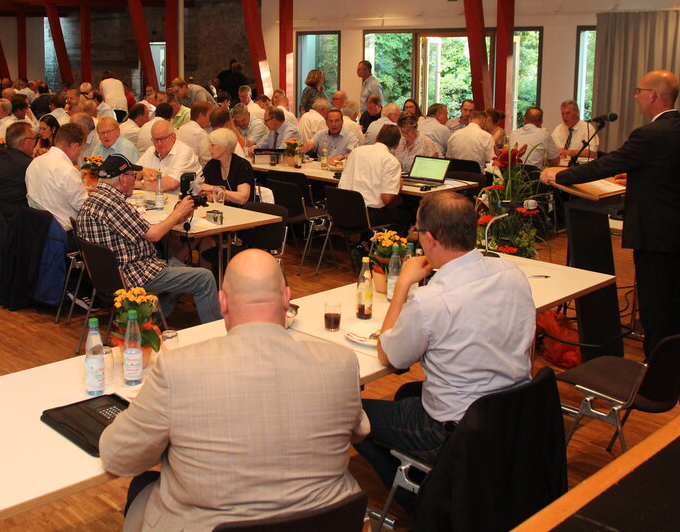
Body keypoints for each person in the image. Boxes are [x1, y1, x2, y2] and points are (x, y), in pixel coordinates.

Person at [101, 249, 367, 531]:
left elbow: (119, 457)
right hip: (326, 520)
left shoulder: (178, 369)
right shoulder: (341, 362)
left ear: (222, 302)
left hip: (209, 523)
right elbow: (360, 431)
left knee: (143, 488)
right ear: (287, 299)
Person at [354, 191, 535, 486]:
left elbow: (389, 355)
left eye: (418, 231)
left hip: (453, 428)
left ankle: (421, 500)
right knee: (408, 395)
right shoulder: (511, 272)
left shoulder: (432, 300)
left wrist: (401, 285)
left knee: (346, 413)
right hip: (511, 413)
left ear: (431, 238)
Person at [541, 70, 680, 355]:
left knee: (655, 303)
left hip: (654, 232)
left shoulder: (649, 134)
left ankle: (655, 369)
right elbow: (676, 172)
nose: (636, 96)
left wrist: (560, 177)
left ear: (653, 95)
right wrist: (641, 177)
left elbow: (605, 165)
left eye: (639, 90)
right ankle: (672, 358)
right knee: (674, 296)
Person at [76, 154, 221, 323]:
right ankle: (217, 334)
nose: (136, 180)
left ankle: (149, 322)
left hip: (108, 277)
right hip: (134, 275)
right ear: (123, 179)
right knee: (204, 278)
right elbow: (154, 235)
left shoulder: (94, 200)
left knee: (178, 265)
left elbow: (140, 229)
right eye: (133, 175)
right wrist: (177, 213)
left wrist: (176, 218)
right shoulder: (114, 204)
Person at [338, 125, 410, 231]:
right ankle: (381, 245)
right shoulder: (390, 161)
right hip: (367, 216)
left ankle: (365, 243)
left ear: (376, 138)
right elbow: (386, 199)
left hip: (343, 210)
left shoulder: (356, 152)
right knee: (405, 215)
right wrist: (398, 184)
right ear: (397, 145)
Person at [137, 120, 200, 192]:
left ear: (173, 137)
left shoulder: (185, 152)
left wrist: (140, 184)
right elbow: (131, 175)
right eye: (155, 139)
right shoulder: (151, 151)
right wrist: (142, 170)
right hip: (155, 200)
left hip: (184, 200)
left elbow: (172, 183)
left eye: (163, 139)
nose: (159, 143)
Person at [199, 128, 254, 206]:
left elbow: (242, 198)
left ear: (224, 147)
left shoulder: (242, 166)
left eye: (212, 144)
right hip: (219, 210)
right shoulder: (212, 164)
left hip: (242, 212)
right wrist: (220, 195)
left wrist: (215, 189)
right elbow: (204, 192)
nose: (208, 147)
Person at [551, 99, 600, 165]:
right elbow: (550, 149)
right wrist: (557, 155)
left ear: (577, 113)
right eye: (562, 114)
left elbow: (591, 153)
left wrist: (567, 152)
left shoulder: (587, 128)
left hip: (580, 167)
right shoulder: (558, 129)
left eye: (568, 113)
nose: (564, 117)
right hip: (560, 166)